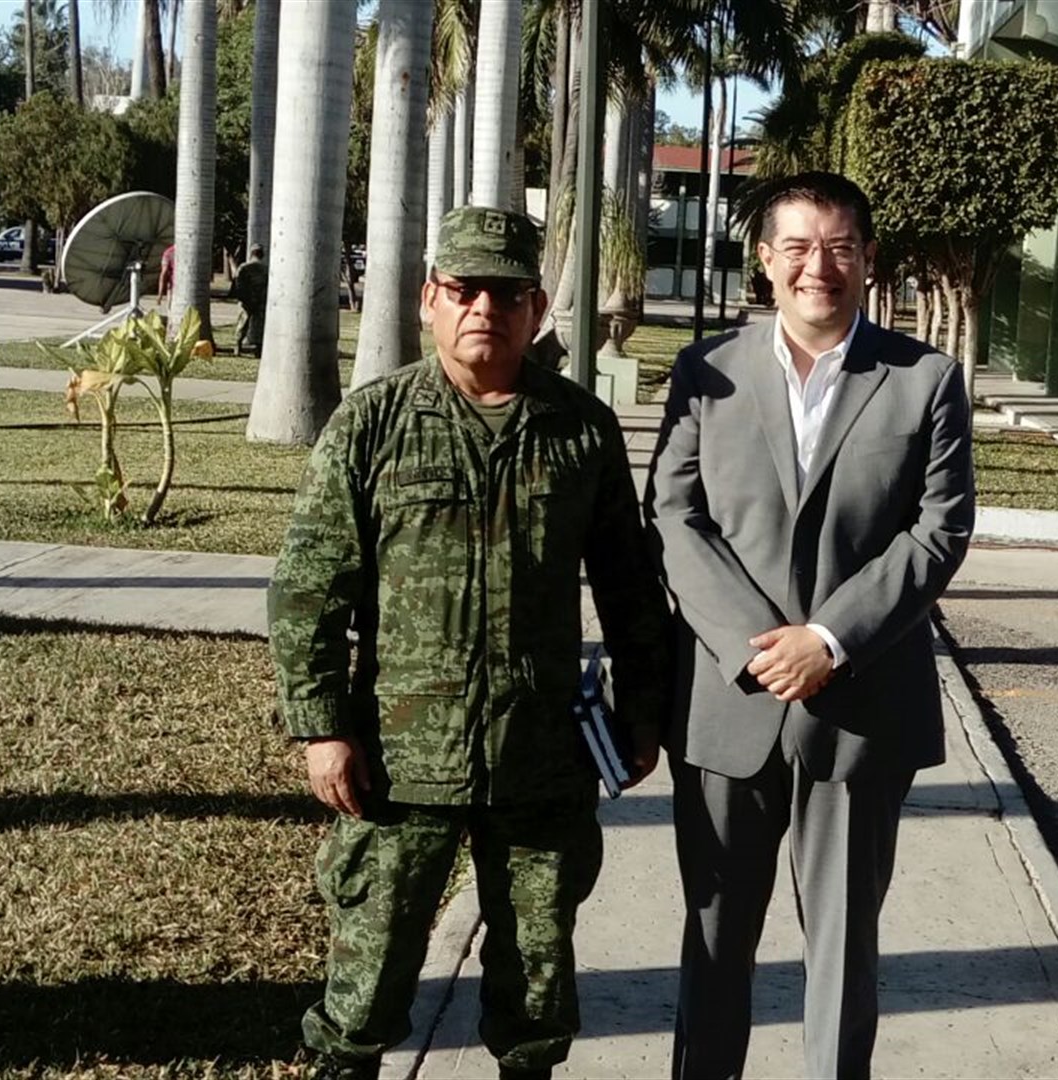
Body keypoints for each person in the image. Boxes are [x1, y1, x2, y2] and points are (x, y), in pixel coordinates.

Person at [269, 205, 674, 1080]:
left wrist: (644, 715)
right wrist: (322, 728)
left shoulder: (579, 431)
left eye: (505, 292)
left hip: (539, 760)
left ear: (534, 309)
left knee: (535, 981)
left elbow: (630, 588)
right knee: (366, 982)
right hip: (398, 762)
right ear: (429, 300)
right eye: (464, 290)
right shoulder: (373, 423)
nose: (482, 308)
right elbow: (309, 589)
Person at [644, 171, 975, 1080]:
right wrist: (762, 644)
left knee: (843, 947)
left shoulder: (926, 381)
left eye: (837, 247)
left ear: (867, 259)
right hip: (730, 702)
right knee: (714, 943)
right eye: (796, 246)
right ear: (764, 260)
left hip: (861, 705)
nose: (815, 266)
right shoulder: (706, 372)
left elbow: (940, 529)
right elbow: (674, 515)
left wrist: (827, 640)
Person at [231, 244, 268, 356]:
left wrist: (242, 297)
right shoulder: (265, 269)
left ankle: (237, 347)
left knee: (242, 324)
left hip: (246, 300)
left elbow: (237, 284)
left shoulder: (243, 267)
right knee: (259, 325)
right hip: (260, 300)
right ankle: (258, 349)